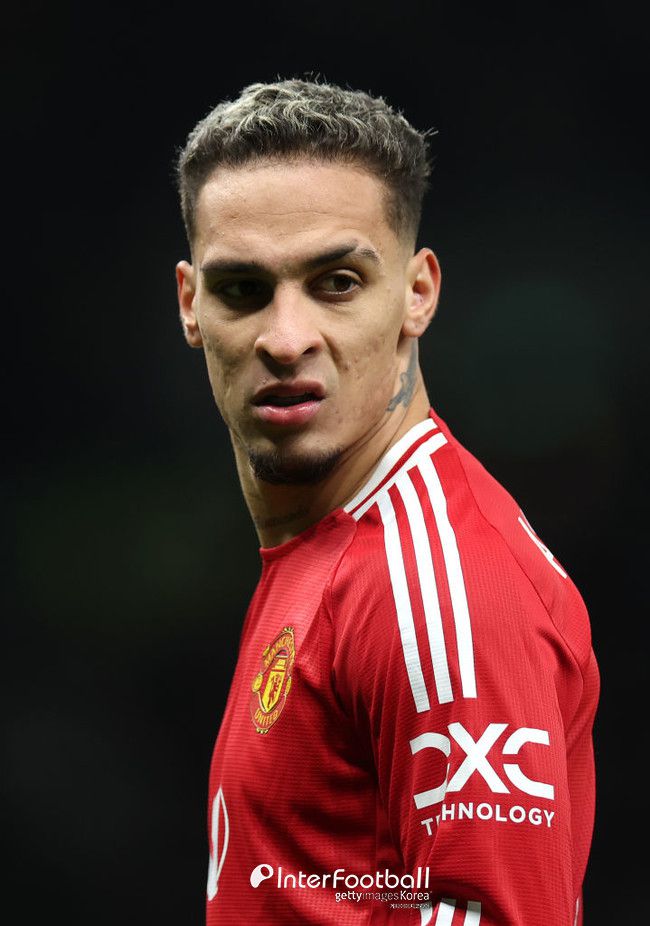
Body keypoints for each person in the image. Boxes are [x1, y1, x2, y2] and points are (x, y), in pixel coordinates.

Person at [174, 78, 599, 925]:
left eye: (336, 282)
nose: (286, 339)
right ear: (191, 305)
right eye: (243, 289)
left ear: (417, 293)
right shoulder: (331, 550)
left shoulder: (441, 587)